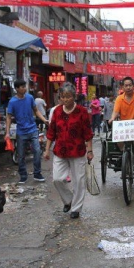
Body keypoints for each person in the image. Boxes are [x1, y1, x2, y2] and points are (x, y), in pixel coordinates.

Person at [43, 82, 94, 219]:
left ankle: (76, 209)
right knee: (57, 179)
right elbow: (51, 132)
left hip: (77, 151)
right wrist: (47, 150)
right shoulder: (57, 111)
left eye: (68, 97)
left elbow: (88, 133)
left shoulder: (82, 112)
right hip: (60, 150)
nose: (65, 100)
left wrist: (90, 150)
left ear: (74, 97)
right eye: (62, 97)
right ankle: (69, 200)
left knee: (79, 181)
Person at [108, 77, 134, 187]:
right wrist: (112, 118)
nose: (128, 87)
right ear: (123, 87)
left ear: (133, 86)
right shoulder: (119, 99)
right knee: (116, 137)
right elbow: (115, 111)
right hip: (123, 128)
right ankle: (124, 157)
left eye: (130, 85)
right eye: (126, 85)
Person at [6, 79, 48, 185]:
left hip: (33, 129)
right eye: (22, 87)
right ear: (16, 89)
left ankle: (37, 173)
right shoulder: (12, 102)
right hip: (21, 132)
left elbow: (36, 110)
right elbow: (9, 117)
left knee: (37, 151)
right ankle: (23, 176)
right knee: (21, 155)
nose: (24, 88)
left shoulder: (29, 98)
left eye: (25, 86)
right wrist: (7, 132)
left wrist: (44, 120)